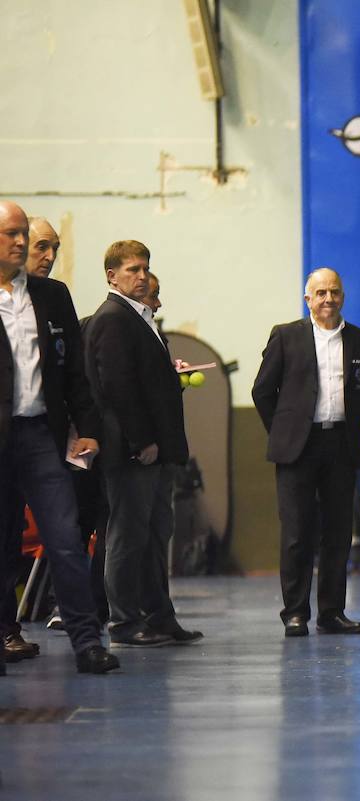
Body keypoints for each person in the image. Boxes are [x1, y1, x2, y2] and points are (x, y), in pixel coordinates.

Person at [0, 200, 119, 674]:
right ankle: (6, 634)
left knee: (66, 538)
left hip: (39, 437)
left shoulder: (53, 296)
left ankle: (87, 642)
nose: (22, 243)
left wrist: (87, 429)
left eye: (24, 236)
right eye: (12, 234)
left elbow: (74, 374)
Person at [84, 241, 202, 647]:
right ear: (111, 276)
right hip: (134, 451)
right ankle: (123, 623)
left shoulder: (140, 318)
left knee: (154, 535)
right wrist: (142, 441)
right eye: (132, 269)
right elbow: (117, 388)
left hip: (154, 450)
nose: (142, 276)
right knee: (128, 535)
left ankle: (159, 616)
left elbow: (142, 378)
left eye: (145, 268)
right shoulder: (114, 318)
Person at [252, 268, 360, 637]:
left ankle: (331, 613)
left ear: (343, 297)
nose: (328, 299)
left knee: (338, 534)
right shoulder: (286, 336)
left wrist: (349, 424)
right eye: (320, 293)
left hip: (341, 445)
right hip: (298, 449)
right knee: (296, 532)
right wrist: (284, 431)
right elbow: (262, 391)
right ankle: (294, 613)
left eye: (335, 292)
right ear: (308, 299)